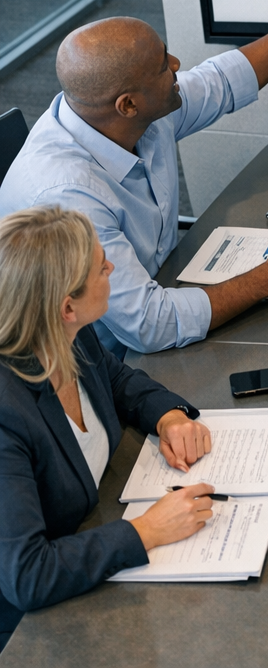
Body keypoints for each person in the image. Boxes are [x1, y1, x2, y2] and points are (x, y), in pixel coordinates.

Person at [0, 0, 268, 356]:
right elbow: (148, 326)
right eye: (163, 66)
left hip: (163, 295)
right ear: (127, 105)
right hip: (101, 362)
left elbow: (223, 81)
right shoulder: (69, 196)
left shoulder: (133, 115)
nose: (176, 65)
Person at [0, 206, 221, 650]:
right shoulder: (6, 417)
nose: (112, 268)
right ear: (66, 306)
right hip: (35, 632)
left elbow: (114, 378)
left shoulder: (69, 332)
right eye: (101, 268)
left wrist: (167, 415)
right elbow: (27, 574)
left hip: (95, 535)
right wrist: (147, 530)